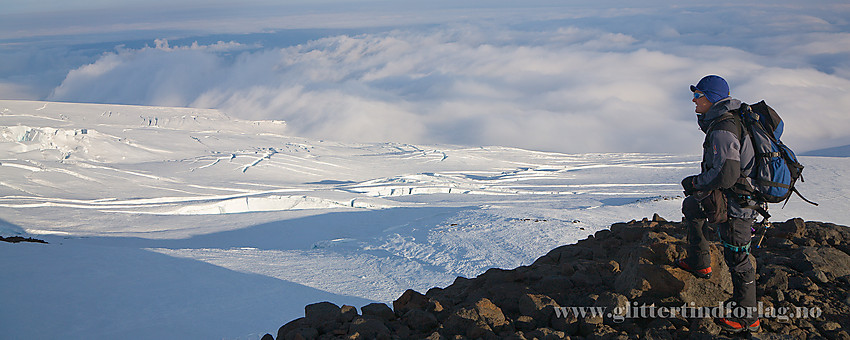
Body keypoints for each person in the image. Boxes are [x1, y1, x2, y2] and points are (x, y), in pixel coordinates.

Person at [676, 75, 761, 332]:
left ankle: (748, 318)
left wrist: (696, 182)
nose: (694, 99)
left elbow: (727, 174)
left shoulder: (724, 128)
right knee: (692, 206)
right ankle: (700, 262)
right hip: (733, 197)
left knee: (738, 256)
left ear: (712, 98)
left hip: (738, 202)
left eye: (699, 94)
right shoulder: (724, 122)